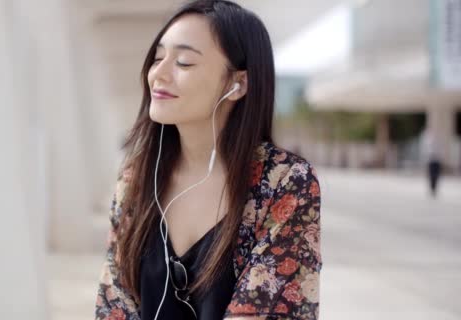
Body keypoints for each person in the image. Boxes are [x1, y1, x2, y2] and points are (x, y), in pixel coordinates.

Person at [95, 1, 322, 319]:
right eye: (158, 57)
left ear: (237, 83)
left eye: (184, 62)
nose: (158, 73)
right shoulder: (136, 180)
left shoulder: (284, 181)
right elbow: (113, 307)